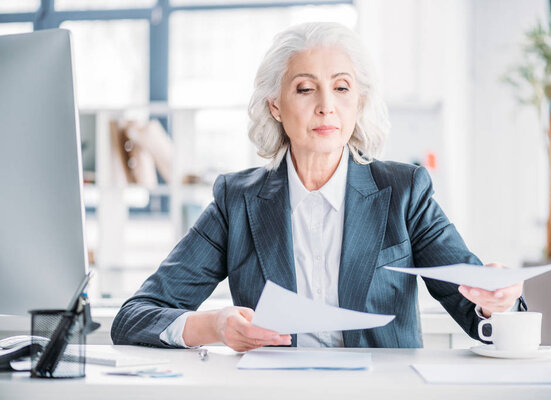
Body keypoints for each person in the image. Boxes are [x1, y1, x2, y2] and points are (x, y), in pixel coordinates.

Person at [111, 22, 526, 352]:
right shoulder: (235, 201)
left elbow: (479, 315)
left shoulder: (405, 192)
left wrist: (498, 302)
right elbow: (134, 316)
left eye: (342, 88)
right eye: (305, 89)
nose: (326, 104)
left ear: (358, 102)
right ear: (275, 104)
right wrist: (213, 326)